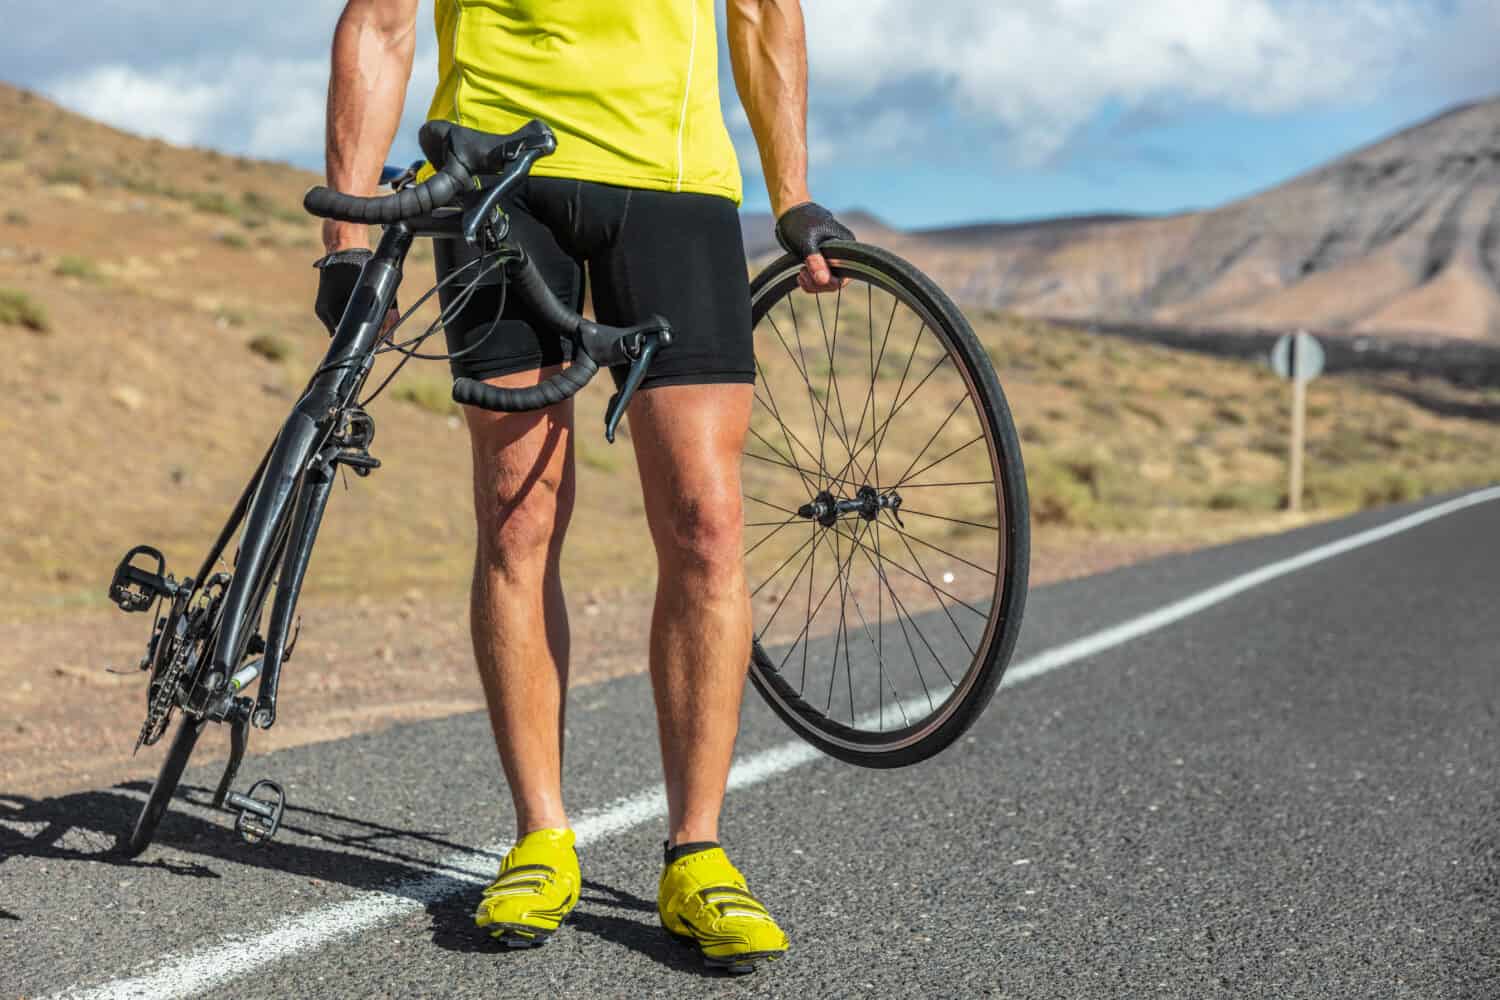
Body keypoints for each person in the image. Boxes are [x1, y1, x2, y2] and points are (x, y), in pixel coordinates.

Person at [314, 0, 853, 972]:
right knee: (517, 515)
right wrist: (348, 241)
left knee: (707, 521)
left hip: (675, 182)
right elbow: (381, 21)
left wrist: (793, 192)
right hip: (496, 179)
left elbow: (765, 10)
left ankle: (698, 848)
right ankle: (541, 834)